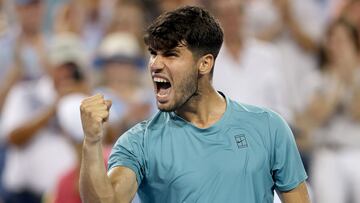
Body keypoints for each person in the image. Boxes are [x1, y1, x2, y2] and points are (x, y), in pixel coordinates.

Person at [79, 6, 310, 203]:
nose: (155, 64)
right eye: (153, 53)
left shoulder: (269, 127)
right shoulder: (138, 143)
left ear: (205, 64)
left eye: (170, 54)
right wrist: (91, 141)